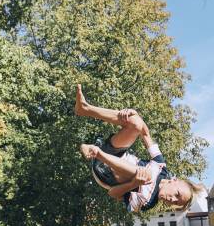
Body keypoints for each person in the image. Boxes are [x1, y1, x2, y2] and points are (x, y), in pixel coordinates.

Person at [74, 84, 206, 213]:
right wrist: (135, 114)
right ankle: (85, 109)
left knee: (146, 176)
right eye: (177, 194)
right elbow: (145, 133)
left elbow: (113, 193)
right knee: (136, 123)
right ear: (175, 180)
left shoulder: (148, 202)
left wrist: (134, 183)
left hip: (104, 173)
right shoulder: (161, 167)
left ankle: (96, 152)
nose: (172, 199)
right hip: (113, 152)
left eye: (176, 202)